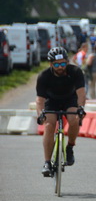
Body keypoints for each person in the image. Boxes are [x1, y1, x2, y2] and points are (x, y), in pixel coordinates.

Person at [35, 47, 86, 176]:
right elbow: (40, 100)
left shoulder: (76, 71)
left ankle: (70, 147)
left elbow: (81, 94)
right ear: (51, 64)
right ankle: (47, 162)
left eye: (63, 63)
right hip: (52, 101)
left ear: (67, 62)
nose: (60, 67)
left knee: (74, 119)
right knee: (49, 125)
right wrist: (40, 114)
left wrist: (81, 108)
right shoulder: (44, 76)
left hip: (70, 100)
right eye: (56, 64)